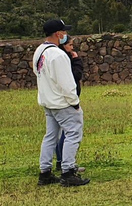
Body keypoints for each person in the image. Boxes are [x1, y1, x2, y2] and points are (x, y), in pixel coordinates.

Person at [33, 19, 89, 187]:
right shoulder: (58, 55)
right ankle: (68, 171)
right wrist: (75, 102)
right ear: (58, 34)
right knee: (73, 133)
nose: (65, 34)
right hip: (62, 103)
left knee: (50, 136)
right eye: (63, 32)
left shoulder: (40, 50)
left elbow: (37, 71)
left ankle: (45, 172)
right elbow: (67, 83)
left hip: (47, 101)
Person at [54, 34, 84, 173]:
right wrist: (77, 60)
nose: (72, 48)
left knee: (58, 133)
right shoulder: (66, 60)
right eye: (70, 45)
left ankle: (61, 162)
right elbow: (75, 76)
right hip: (67, 101)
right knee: (69, 132)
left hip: (57, 100)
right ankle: (66, 164)